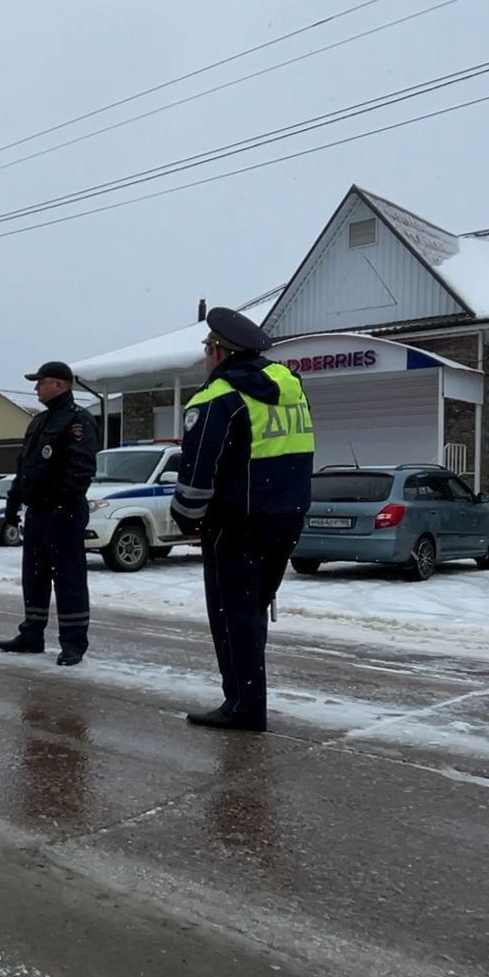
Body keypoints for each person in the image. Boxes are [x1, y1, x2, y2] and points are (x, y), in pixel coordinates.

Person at [170, 306, 315, 732]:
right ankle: (248, 697)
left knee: (233, 614)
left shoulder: (216, 398)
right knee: (252, 611)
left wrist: (185, 519)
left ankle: (243, 705)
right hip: (286, 519)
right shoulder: (292, 387)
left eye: (206, 348)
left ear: (219, 350)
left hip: (236, 524)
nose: (204, 357)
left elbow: (198, 472)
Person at [0, 360, 100, 666]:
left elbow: (81, 469)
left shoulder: (77, 421)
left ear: (58, 384)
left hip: (64, 512)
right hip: (38, 512)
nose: (36, 388)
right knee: (34, 577)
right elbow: (24, 468)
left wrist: (63, 505)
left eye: (40, 382)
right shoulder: (39, 422)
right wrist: (13, 507)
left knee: (68, 579)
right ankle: (32, 634)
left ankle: (73, 643)